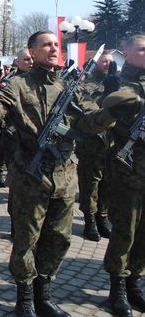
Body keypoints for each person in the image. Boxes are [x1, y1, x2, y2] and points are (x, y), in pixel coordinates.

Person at [0, 31, 106, 316]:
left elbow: (89, 123)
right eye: (46, 44)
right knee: (26, 241)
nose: (53, 48)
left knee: (59, 239)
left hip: (65, 178)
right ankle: (24, 300)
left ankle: (44, 295)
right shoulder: (17, 85)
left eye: (56, 44)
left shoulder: (70, 85)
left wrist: (112, 105)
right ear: (32, 52)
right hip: (31, 178)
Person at [94, 35, 145, 315]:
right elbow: (101, 117)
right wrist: (110, 94)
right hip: (128, 172)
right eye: (141, 48)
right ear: (126, 52)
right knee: (125, 231)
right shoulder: (121, 85)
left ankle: (135, 282)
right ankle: (118, 289)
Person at [75, 50, 113, 242]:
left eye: (110, 62)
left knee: (107, 183)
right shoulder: (86, 85)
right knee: (90, 183)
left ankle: (102, 217)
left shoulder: (117, 84)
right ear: (95, 62)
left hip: (113, 144)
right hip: (91, 143)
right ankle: (89, 220)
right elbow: (87, 111)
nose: (108, 64)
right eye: (104, 61)